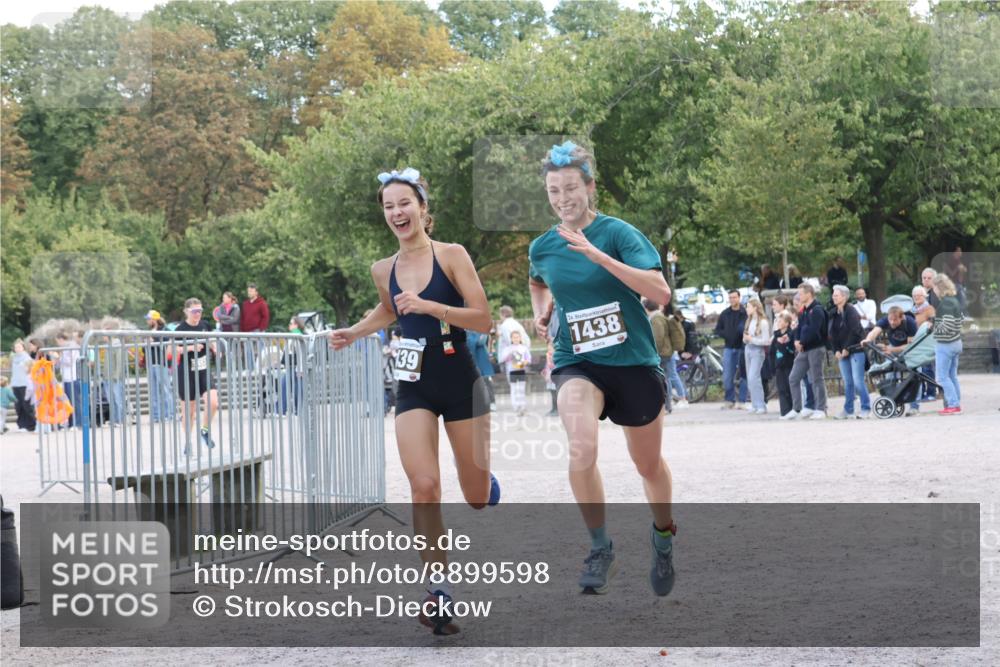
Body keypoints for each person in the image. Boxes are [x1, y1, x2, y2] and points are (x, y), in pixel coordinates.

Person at [328, 167, 497, 635]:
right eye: (388, 206)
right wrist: (355, 332)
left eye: (404, 203)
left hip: (459, 376)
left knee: (476, 497)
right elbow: (388, 308)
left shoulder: (453, 255)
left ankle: (485, 478)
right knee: (424, 486)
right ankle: (438, 591)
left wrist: (431, 307)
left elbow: (483, 319)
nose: (397, 213)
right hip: (414, 383)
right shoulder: (383, 269)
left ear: (423, 207)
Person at [528, 140, 675, 599]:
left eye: (570, 187)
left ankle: (663, 535)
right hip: (578, 361)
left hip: (632, 361)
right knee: (580, 448)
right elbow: (538, 279)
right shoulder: (543, 247)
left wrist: (598, 256)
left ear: (589, 187)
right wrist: (542, 310)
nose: (562, 198)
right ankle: (600, 547)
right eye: (554, 190)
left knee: (647, 464)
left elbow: (659, 291)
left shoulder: (618, 233)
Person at [174, 298, 219, 454]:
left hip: (204, 370)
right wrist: (190, 347)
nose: (197, 314)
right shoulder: (180, 329)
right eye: (194, 311)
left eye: (200, 311)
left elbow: (212, 339)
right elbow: (171, 351)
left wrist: (215, 347)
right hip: (186, 372)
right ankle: (187, 442)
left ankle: (204, 430)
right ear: (186, 311)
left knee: (213, 402)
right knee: (189, 412)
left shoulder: (205, 325)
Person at [862, 305, 919, 415]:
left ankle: (914, 407)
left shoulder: (910, 323)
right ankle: (891, 402)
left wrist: (891, 349)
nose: (892, 322)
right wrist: (867, 339)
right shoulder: (885, 320)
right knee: (890, 374)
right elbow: (875, 331)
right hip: (893, 347)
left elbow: (910, 346)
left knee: (915, 375)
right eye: (890, 319)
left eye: (895, 320)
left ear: (901, 318)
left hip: (909, 350)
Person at [787, 283, 828, 420]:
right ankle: (796, 408)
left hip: (816, 348)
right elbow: (799, 328)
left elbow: (814, 331)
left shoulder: (816, 310)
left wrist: (802, 342)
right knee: (793, 377)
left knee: (817, 378)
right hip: (804, 349)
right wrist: (796, 340)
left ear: (809, 294)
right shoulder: (803, 310)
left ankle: (821, 409)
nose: (799, 296)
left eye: (801, 293)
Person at [829, 285, 870, 419]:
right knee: (848, 382)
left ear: (844, 297)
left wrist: (846, 348)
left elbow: (855, 330)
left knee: (858, 380)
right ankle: (848, 410)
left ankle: (865, 408)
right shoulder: (834, 312)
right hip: (842, 351)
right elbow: (832, 334)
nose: (834, 297)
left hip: (855, 349)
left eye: (837, 295)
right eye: (833, 295)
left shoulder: (851, 310)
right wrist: (836, 350)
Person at [931, 273, 963, 415]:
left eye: (934, 288)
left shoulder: (945, 304)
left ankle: (953, 404)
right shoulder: (954, 300)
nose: (934, 291)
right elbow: (960, 321)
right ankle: (956, 402)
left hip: (946, 344)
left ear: (939, 287)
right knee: (952, 375)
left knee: (942, 377)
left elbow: (947, 325)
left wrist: (933, 327)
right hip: (956, 342)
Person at [644, 298, 684, 413]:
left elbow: (658, 337)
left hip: (662, 353)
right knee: (666, 379)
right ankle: (667, 406)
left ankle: (666, 406)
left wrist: (653, 351)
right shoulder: (659, 316)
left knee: (663, 380)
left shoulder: (656, 318)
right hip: (666, 352)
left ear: (646, 308)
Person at [714, 289, 748, 409]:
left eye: (734, 297)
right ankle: (729, 400)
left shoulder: (745, 313)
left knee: (744, 375)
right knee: (727, 376)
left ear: (739, 298)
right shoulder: (724, 314)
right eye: (730, 298)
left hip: (742, 348)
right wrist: (726, 334)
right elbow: (718, 329)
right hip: (729, 347)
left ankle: (742, 401)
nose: (732, 300)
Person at [145, 310, 175, 424]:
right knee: (153, 392)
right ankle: (156, 416)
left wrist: (155, 339)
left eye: (149, 319)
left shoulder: (165, 330)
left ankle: (170, 414)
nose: (147, 321)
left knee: (165, 389)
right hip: (151, 363)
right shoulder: (148, 331)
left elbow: (168, 343)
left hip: (162, 363)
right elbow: (145, 348)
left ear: (154, 319)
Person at [742, 297, 771, 415]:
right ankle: (754, 404)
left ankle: (761, 405)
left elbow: (766, 341)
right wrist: (746, 339)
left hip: (757, 351)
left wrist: (752, 339)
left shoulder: (763, 322)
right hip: (748, 349)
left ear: (755, 307)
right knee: (750, 378)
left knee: (755, 377)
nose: (746, 309)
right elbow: (746, 338)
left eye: (748, 306)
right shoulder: (749, 321)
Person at [910, 286, 937, 401]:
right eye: (914, 295)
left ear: (924, 296)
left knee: (927, 369)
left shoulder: (929, 309)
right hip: (914, 344)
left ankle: (931, 393)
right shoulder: (911, 311)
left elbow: (933, 324)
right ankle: (919, 393)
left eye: (919, 295)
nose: (916, 297)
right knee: (916, 370)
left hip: (926, 343)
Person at [663, 303, 689, 409]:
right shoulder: (670, 318)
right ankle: (674, 399)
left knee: (672, 375)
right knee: (669, 377)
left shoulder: (668, 319)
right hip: (671, 350)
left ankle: (683, 398)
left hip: (668, 351)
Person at [55, 331, 82, 428]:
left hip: (73, 378)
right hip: (66, 378)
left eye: (57, 341)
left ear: (61, 340)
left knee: (75, 402)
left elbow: (70, 361)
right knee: (68, 402)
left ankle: (77, 423)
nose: (57, 344)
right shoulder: (65, 349)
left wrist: (59, 357)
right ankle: (71, 423)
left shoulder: (72, 348)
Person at [500, 331, 531, 416]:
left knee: (521, 389)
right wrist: (509, 355)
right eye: (514, 337)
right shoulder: (508, 348)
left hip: (521, 370)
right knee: (514, 389)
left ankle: (522, 406)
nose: (516, 339)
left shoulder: (524, 348)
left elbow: (528, 359)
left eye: (517, 337)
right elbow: (502, 359)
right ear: (511, 339)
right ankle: (516, 406)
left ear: (520, 338)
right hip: (512, 371)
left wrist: (525, 362)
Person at [772, 313, 796, 419]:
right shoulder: (776, 334)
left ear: (787, 323)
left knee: (788, 387)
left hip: (788, 364)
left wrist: (783, 343)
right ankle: (784, 411)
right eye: (778, 321)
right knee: (781, 388)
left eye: (781, 321)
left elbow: (791, 350)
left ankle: (792, 409)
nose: (779, 323)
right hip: (778, 365)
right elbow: (772, 351)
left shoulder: (790, 334)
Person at [240, 283, 270, 368]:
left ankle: (261, 368)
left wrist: (261, 329)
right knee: (248, 352)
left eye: (251, 291)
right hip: (247, 331)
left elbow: (266, 316)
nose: (249, 293)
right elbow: (242, 317)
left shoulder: (261, 303)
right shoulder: (245, 304)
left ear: (256, 292)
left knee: (261, 351)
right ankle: (250, 369)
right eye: (248, 291)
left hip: (257, 330)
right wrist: (242, 330)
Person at [467, 328, 497, 412]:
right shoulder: (466, 331)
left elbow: (482, 341)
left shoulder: (481, 330)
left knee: (487, 381)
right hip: (472, 360)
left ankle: (492, 402)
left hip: (483, 361)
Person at [496, 305, 529, 380]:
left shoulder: (504, 326)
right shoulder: (517, 324)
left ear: (503, 314)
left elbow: (510, 341)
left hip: (511, 358)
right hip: (520, 356)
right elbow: (527, 340)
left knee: (513, 382)